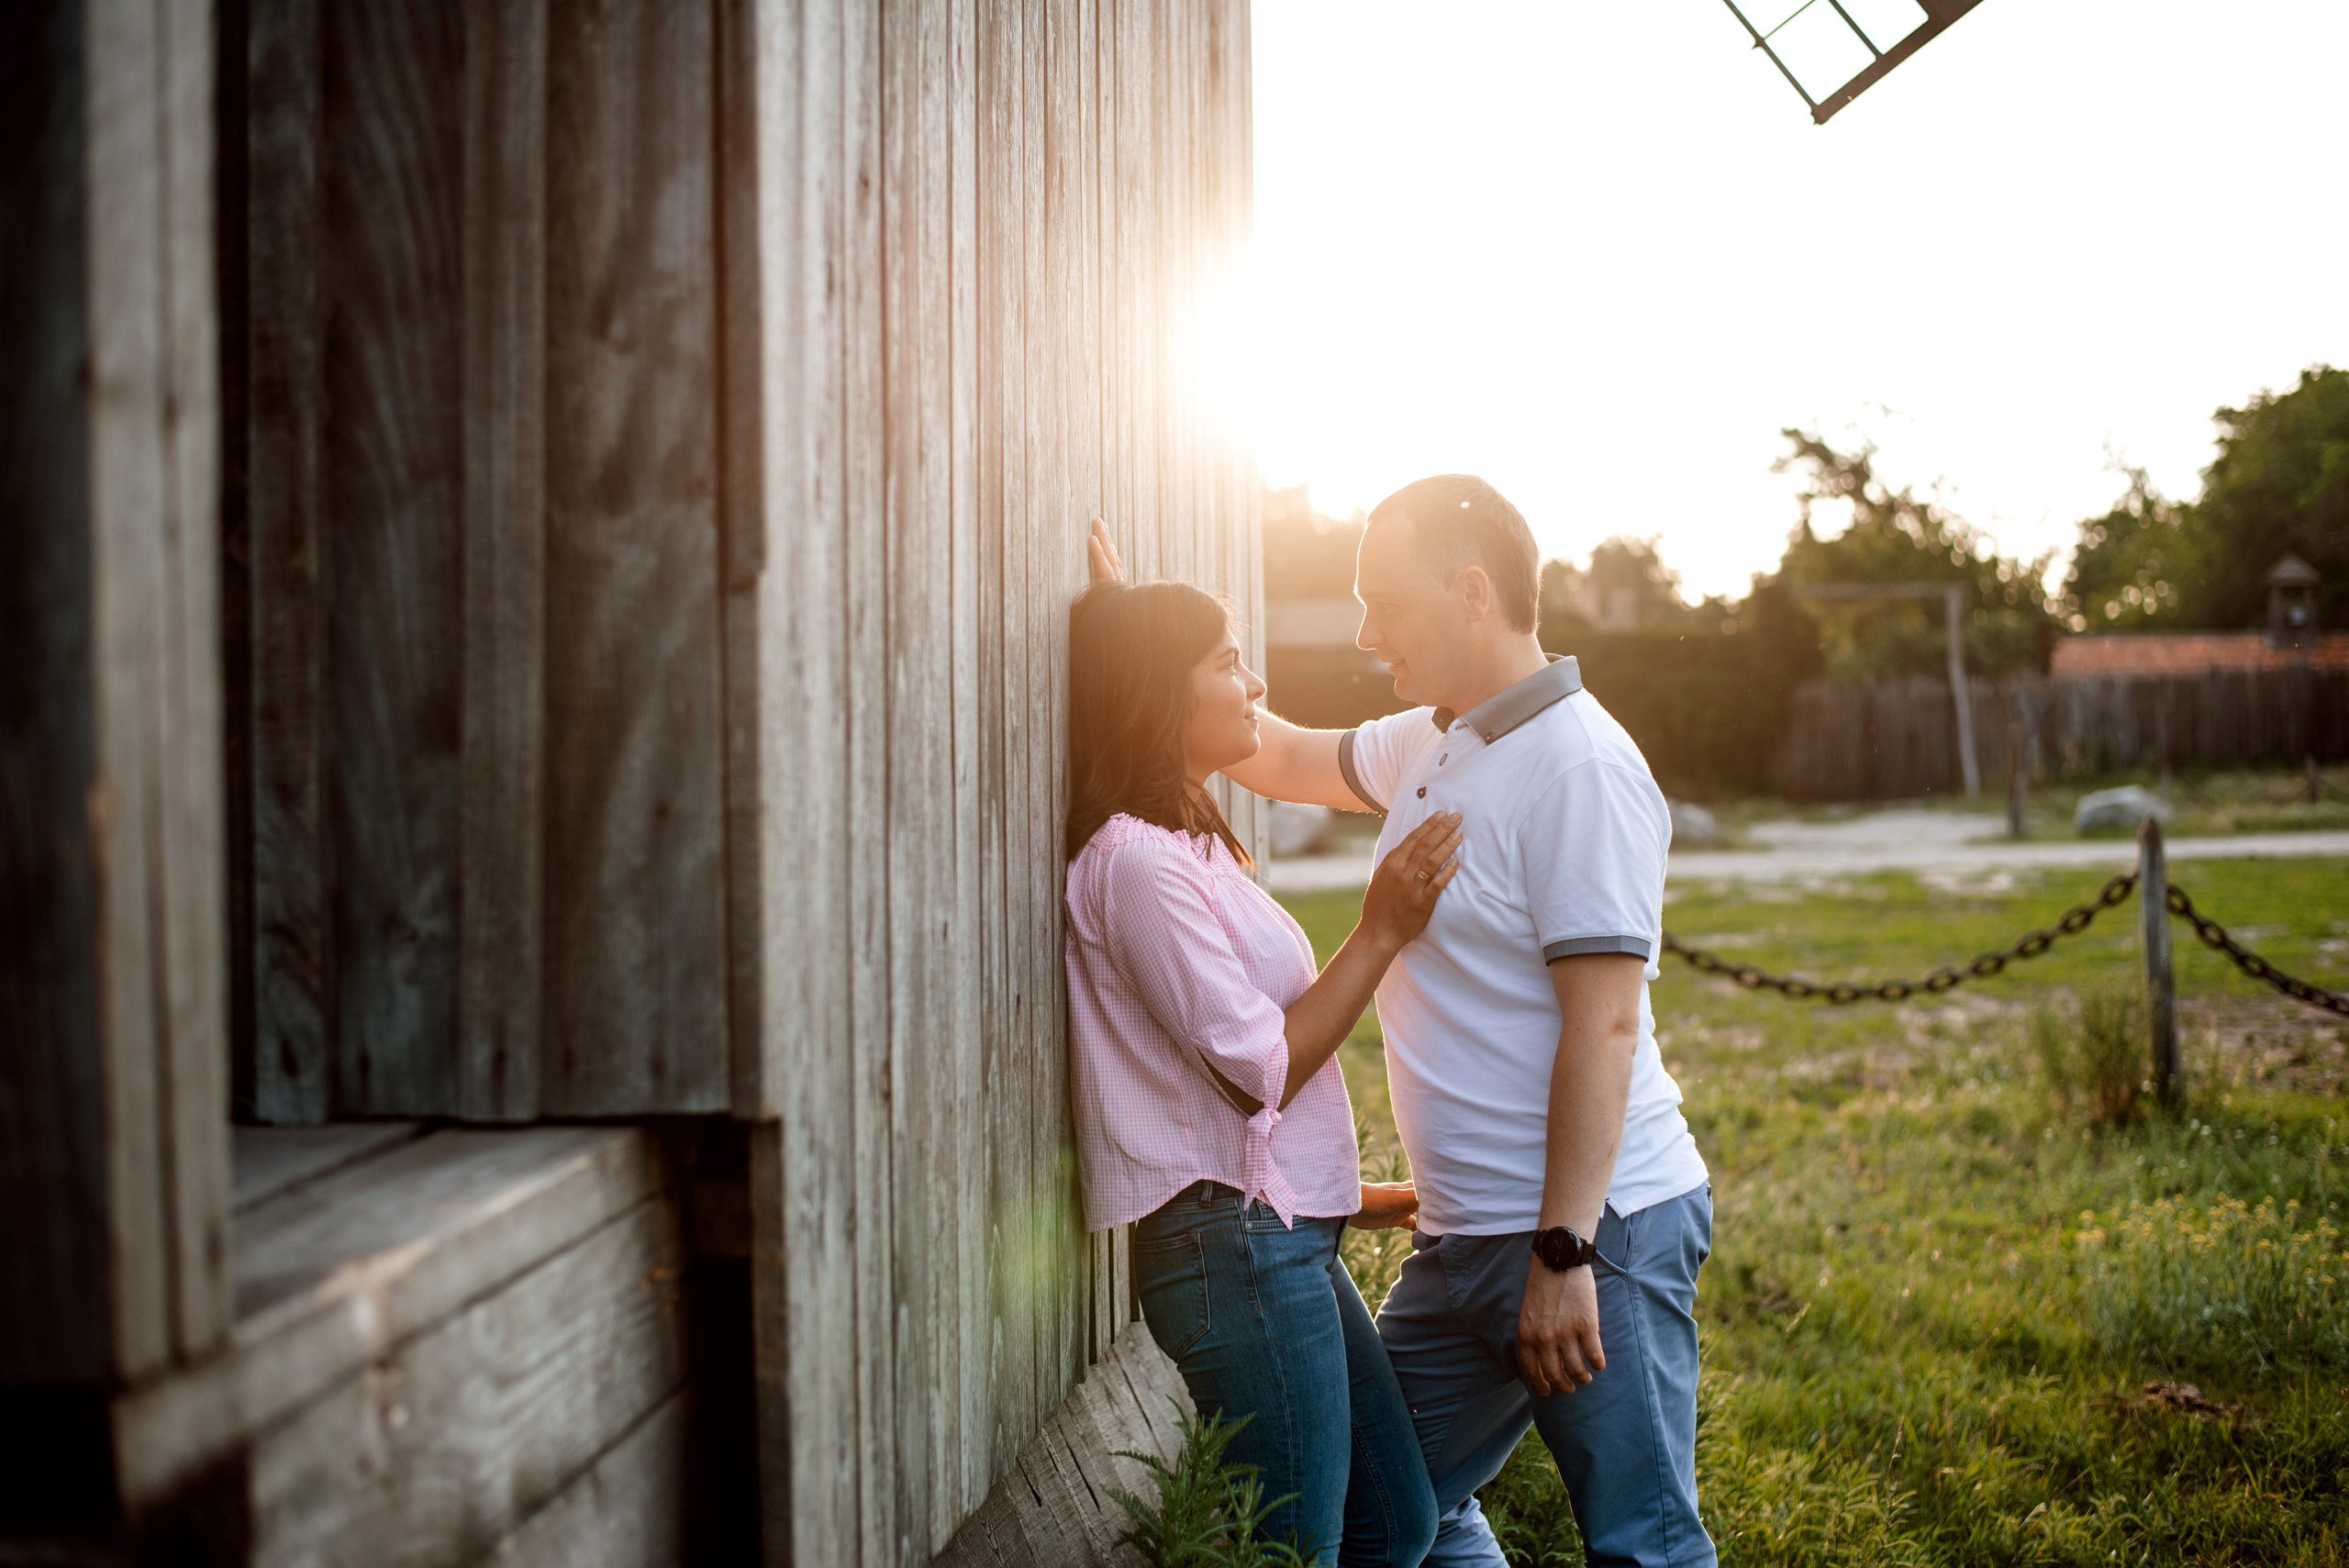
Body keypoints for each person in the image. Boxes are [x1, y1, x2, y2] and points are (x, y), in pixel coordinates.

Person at [1093, 473, 1715, 1568]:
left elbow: (1606, 1029)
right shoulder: (1434, 743)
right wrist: (1142, 646)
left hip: (1591, 1234)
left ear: (1470, 591)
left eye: (1384, 601)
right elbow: (1271, 750)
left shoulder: (1580, 765)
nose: (1365, 631)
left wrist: (1564, 1251)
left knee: (1642, 1543)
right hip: (1459, 1241)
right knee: (1393, 1511)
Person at [1063, 570, 1453, 1566]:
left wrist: (1342, 1194)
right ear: (1162, 692)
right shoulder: (1138, 866)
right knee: (1293, 1551)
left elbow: (1216, 1090)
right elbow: (1258, 1070)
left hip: (1274, 1230)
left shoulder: (1185, 847)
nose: (1254, 684)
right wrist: (1380, 929)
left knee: (1395, 1521)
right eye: (1227, 662)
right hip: (1231, 1249)